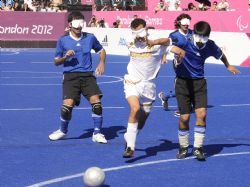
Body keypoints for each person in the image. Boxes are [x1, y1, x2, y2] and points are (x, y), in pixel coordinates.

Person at [172, 21, 240, 161]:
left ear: (208, 36)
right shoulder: (185, 41)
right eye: (199, 36)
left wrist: (228, 66)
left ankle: (198, 148)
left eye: (204, 37)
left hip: (199, 83)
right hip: (182, 83)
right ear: (194, 34)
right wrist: (174, 54)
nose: (201, 40)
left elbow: (221, 55)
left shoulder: (210, 45)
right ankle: (183, 147)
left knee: (201, 114)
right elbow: (170, 45)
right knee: (184, 118)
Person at [122, 18, 185, 158]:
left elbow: (177, 48)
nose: (138, 36)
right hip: (131, 81)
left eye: (140, 32)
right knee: (135, 109)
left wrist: (178, 56)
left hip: (149, 85)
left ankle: (129, 136)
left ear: (146, 29)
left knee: (143, 118)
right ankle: (130, 148)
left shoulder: (158, 44)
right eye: (135, 32)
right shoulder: (129, 42)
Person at [48, 11, 108, 144]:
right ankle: (63, 131)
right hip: (70, 76)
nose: (79, 27)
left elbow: (101, 50)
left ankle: (97, 133)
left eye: (81, 24)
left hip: (87, 75)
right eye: (76, 24)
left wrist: (102, 62)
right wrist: (65, 57)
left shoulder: (90, 37)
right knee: (66, 107)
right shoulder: (62, 40)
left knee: (96, 103)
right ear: (70, 25)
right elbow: (56, 62)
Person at [158, 13, 192, 116]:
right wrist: (164, 57)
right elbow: (166, 46)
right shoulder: (174, 35)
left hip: (192, 63)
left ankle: (165, 96)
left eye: (188, 22)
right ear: (179, 23)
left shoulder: (193, 33)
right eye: (184, 22)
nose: (186, 25)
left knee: (191, 85)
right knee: (183, 84)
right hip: (179, 62)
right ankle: (181, 108)